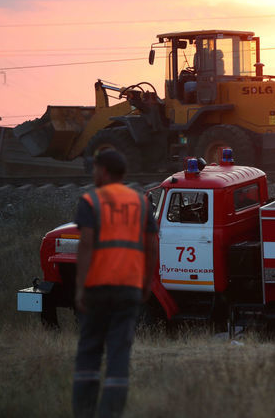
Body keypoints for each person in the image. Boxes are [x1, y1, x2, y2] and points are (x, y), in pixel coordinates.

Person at [73, 148, 159, 418]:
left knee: (89, 349)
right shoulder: (141, 203)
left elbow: (86, 243)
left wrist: (80, 287)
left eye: (95, 168)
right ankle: (111, 413)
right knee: (119, 351)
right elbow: (152, 246)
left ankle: (84, 412)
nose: (93, 172)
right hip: (129, 289)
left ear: (104, 171)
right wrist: (147, 282)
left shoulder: (91, 201)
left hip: (97, 287)